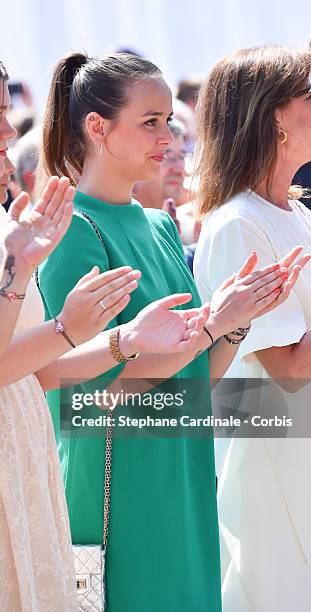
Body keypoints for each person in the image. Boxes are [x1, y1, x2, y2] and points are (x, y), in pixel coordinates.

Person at [0, 37, 218, 611]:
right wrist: (33, 287)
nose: (8, 132)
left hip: (26, 454)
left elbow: (40, 375)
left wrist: (123, 338)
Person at [38, 51, 303, 611]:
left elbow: (199, 375)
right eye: (150, 122)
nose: (168, 137)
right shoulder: (72, 233)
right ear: (97, 128)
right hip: (122, 477)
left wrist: (233, 322)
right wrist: (212, 326)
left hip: (183, 468)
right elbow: (91, 400)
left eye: (170, 122)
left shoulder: (159, 227)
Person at [194, 44, 311, 612]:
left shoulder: (295, 212)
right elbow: (289, 368)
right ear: (274, 118)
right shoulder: (237, 223)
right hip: (274, 456)